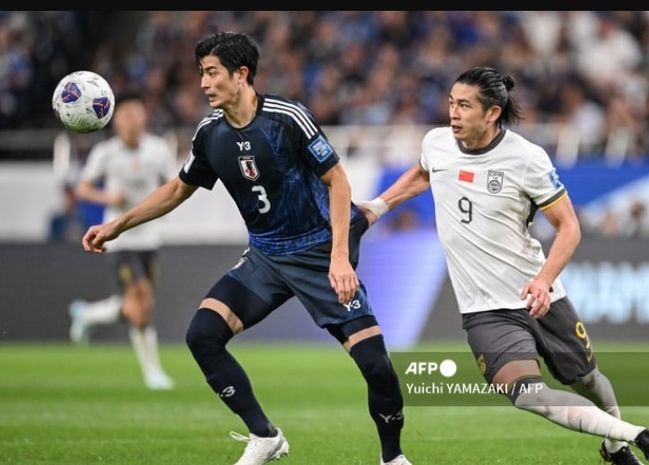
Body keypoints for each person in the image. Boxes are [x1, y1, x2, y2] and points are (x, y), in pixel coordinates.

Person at [80, 32, 411, 465]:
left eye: (212, 72)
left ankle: (393, 458)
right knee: (202, 336)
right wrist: (116, 226)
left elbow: (338, 180)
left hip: (318, 251)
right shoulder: (208, 134)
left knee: (375, 365)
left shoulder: (287, 117)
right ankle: (264, 434)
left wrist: (339, 258)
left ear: (241, 75)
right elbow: (179, 189)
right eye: (200, 73)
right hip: (266, 256)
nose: (203, 83)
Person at [357, 66, 649, 465]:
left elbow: (569, 227)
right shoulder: (436, 143)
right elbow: (422, 174)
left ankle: (615, 447)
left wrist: (543, 281)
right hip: (484, 309)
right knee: (527, 395)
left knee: (589, 379)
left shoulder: (526, 158)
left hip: (540, 295)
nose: (453, 113)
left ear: (491, 113)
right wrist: (377, 208)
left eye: (464, 106)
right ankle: (639, 436)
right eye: (452, 103)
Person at [69, 92, 176, 391]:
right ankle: (153, 372)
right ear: (116, 121)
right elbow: (82, 188)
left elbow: (174, 185)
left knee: (137, 305)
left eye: (136, 115)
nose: (131, 122)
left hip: (150, 237)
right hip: (120, 238)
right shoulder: (106, 152)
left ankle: (88, 314)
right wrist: (108, 197)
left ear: (144, 117)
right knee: (141, 301)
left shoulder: (158, 150)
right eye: (125, 116)